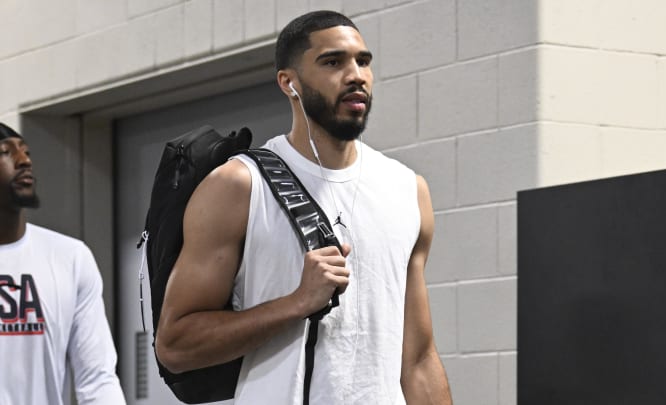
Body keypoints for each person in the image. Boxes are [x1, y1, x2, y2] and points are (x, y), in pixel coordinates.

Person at [156, 10, 452, 404]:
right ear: (289, 83)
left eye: (363, 61)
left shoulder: (408, 190)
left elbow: (417, 359)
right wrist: (296, 303)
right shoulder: (239, 185)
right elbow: (175, 346)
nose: (356, 75)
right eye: (333, 62)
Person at [0, 123, 126, 405]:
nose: (24, 161)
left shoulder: (70, 257)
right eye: (5, 153)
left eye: (26, 152)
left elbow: (97, 378)